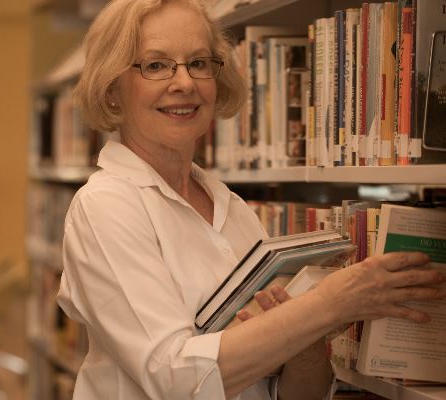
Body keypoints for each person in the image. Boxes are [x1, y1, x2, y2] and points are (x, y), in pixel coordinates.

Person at [56, 1, 446, 399]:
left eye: (199, 63)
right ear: (112, 89)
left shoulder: (233, 208)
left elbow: (292, 393)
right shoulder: (105, 206)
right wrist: (331, 304)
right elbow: (173, 378)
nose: (185, 83)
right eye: (155, 65)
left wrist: (305, 344)